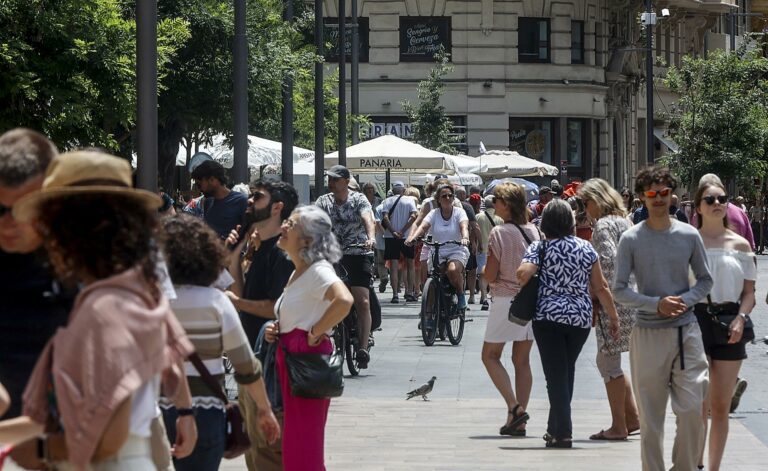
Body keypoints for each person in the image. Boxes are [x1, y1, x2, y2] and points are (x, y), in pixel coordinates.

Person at [7, 150, 199, 469]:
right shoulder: (135, 294)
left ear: (73, 230)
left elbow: (108, 435)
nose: (44, 238)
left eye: (48, 225)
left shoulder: (105, 308)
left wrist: (38, 451)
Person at [160, 214, 280, 471]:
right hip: (206, 411)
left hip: (158, 409)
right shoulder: (216, 303)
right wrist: (264, 408)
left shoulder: (152, 302)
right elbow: (246, 366)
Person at [613, 166, 713, 471]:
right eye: (652, 193)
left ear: (672, 195)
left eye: (664, 192)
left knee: (692, 410)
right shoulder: (631, 238)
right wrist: (656, 304)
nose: (658, 198)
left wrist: (684, 301)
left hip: (686, 332)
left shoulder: (689, 235)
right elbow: (619, 289)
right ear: (642, 197)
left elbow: (705, 280)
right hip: (647, 335)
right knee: (651, 422)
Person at [516, 199, 619, 448]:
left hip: (548, 318)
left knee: (556, 376)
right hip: (579, 320)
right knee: (565, 372)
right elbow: (600, 286)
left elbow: (523, 274)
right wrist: (613, 316)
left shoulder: (540, 247)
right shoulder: (586, 247)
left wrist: (529, 271)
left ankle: (563, 432)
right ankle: (554, 428)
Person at [264, 206, 354, 471]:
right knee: (296, 445)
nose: (283, 226)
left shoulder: (317, 270)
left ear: (307, 239)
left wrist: (315, 331)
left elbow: (344, 300)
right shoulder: (299, 271)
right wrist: (278, 328)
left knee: (303, 447)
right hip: (294, 357)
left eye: (291, 224)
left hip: (306, 359)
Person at [225, 178, 297, 471]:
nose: (249, 201)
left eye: (257, 197)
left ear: (277, 207)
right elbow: (241, 295)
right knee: (255, 454)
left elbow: (276, 306)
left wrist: (238, 303)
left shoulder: (282, 253)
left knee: (268, 452)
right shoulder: (260, 247)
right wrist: (234, 257)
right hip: (253, 362)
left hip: (271, 365)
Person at [0, 129, 71, 422]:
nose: (9, 223)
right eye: (0, 209)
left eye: (23, 209)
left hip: (63, 438)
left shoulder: (81, 262)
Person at [693, 180, 755, 471]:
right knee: (699, 401)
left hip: (731, 322)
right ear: (698, 207)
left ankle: (714, 467)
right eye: (710, 199)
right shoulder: (689, 243)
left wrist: (741, 318)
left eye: (721, 198)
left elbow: (749, 293)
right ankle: (695, 462)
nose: (717, 203)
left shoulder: (740, 245)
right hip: (697, 321)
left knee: (720, 406)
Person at [577, 179, 640, 441]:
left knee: (608, 360)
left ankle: (619, 425)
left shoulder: (603, 226)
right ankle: (632, 417)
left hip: (614, 302)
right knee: (609, 360)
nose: (584, 209)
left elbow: (608, 263)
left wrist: (598, 296)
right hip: (633, 297)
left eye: (585, 203)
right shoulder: (626, 222)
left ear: (596, 200)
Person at [482, 183, 538, 437]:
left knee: (490, 355)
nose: (494, 204)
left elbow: (491, 274)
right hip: (530, 300)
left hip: (505, 299)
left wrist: (485, 272)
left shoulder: (499, 232)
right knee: (522, 360)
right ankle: (518, 421)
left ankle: (515, 407)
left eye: (497, 200)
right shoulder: (535, 231)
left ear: (507, 204)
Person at [315, 165, 376, 368]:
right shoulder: (323, 201)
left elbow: (367, 218)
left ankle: (363, 347)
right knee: (325, 298)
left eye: (335, 179)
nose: (331, 183)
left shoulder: (358, 199)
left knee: (362, 301)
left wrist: (370, 238)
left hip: (357, 252)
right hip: (332, 254)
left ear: (346, 181)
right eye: (329, 179)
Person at [406, 184, 470, 309]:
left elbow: (464, 227)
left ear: (453, 198)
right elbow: (423, 226)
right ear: (438, 199)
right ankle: (430, 311)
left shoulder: (459, 212)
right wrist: (413, 237)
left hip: (456, 249)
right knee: (433, 278)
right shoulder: (434, 213)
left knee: (452, 270)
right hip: (437, 250)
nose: (447, 198)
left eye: (450, 195)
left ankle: (460, 294)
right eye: (444, 196)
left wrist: (465, 238)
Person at [184, 158, 248, 239]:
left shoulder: (241, 201)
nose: (199, 189)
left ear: (212, 180)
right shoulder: (208, 203)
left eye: (199, 185)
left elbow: (249, 233)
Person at [381, 181, 418, 303]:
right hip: (406, 236)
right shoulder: (409, 200)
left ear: (393, 190)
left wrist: (393, 231)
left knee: (394, 266)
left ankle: (395, 294)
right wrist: (403, 231)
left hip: (391, 237)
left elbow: (385, 217)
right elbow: (413, 216)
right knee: (410, 264)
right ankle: (409, 292)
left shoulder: (387, 201)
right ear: (403, 190)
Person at [476, 194, 504, 310]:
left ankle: (484, 297)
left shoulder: (478, 217)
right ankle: (492, 295)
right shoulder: (500, 218)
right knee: (494, 275)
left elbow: (474, 232)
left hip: (481, 249)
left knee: (482, 274)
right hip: (496, 250)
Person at [456, 186, 481, 304]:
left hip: (455, 242)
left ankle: (461, 296)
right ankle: (471, 295)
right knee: (471, 271)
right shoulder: (467, 206)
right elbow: (474, 226)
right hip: (467, 242)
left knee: (461, 272)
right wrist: (478, 242)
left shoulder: (446, 207)